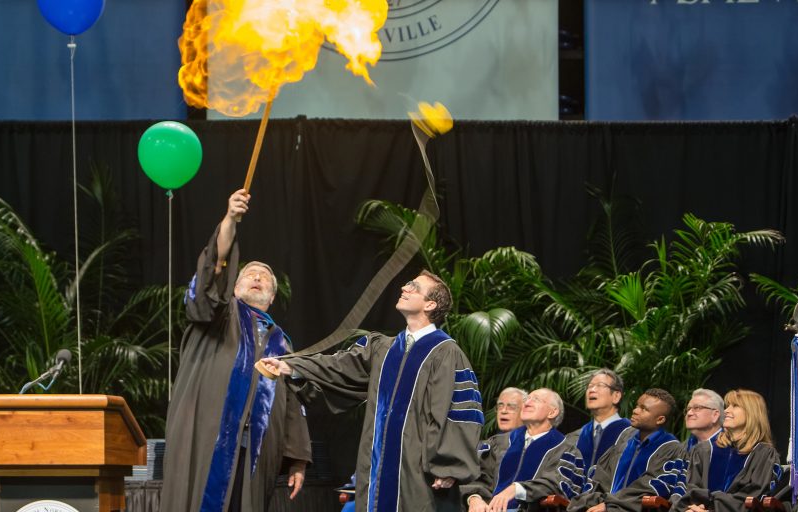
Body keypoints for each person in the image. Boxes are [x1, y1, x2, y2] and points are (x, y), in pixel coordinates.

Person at [260, 270, 483, 512]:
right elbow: (339, 365)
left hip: (420, 475)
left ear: (430, 304)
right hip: (376, 471)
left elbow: (459, 413)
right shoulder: (383, 348)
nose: (404, 288)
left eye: (413, 286)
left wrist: (449, 466)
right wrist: (292, 365)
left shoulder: (446, 353)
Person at [159, 189, 311, 512]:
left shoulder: (281, 342)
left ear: (271, 299)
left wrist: (297, 458)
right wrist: (230, 219)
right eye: (249, 275)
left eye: (265, 279)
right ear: (234, 286)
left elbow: (291, 402)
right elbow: (212, 273)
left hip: (253, 452)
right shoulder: (219, 314)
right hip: (207, 436)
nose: (258, 277)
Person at [464, 388, 585, 512]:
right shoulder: (499, 443)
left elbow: (557, 485)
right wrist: (475, 498)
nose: (527, 403)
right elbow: (479, 477)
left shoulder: (566, 450)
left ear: (552, 412)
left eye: (536, 399)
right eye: (527, 399)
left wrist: (517, 489)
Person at [567, 388, 687, 512]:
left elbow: (650, 489)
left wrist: (610, 506)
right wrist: (595, 502)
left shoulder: (670, 449)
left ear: (660, 419)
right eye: (637, 406)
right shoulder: (624, 441)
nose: (635, 411)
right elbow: (600, 477)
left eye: (643, 409)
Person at [673, 389, 780, 512]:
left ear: (752, 412)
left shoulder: (763, 454)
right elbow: (691, 489)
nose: (726, 411)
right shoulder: (704, 450)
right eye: (727, 406)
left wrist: (712, 508)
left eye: (734, 406)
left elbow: (753, 496)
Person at [461, 388, 528, 504]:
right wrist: (474, 498)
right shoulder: (486, 447)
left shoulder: (537, 445)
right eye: (500, 406)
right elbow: (476, 479)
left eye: (511, 407)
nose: (504, 411)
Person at [567, 370, 633, 478]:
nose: (592, 390)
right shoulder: (573, 438)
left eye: (600, 385)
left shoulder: (632, 434)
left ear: (616, 396)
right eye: (590, 386)